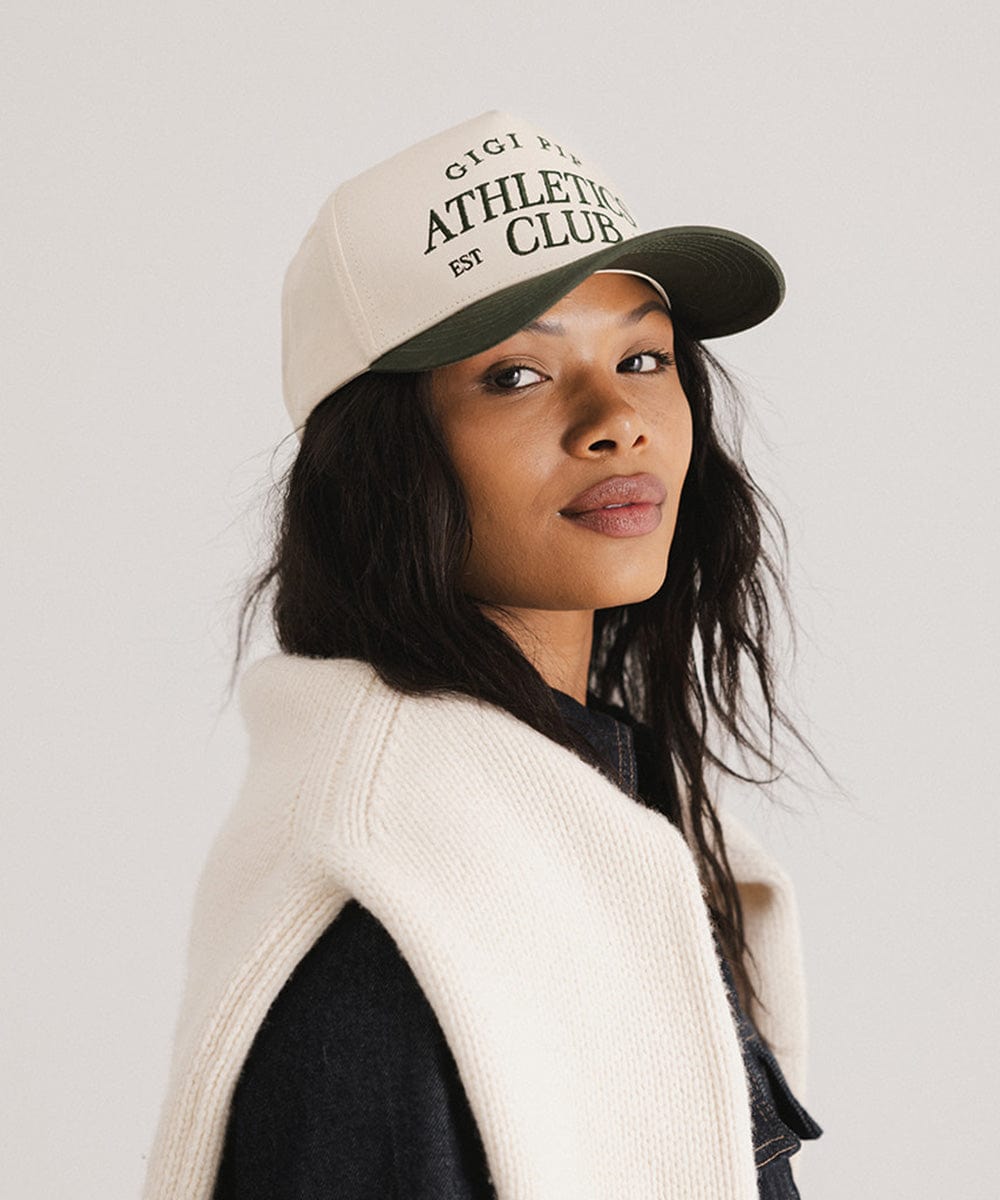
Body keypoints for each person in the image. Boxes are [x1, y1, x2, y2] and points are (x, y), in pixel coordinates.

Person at [142, 111, 824, 1200]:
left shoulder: (584, 816)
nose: (617, 420)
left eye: (643, 357)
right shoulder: (399, 914)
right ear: (380, 459)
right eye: (514, 376)